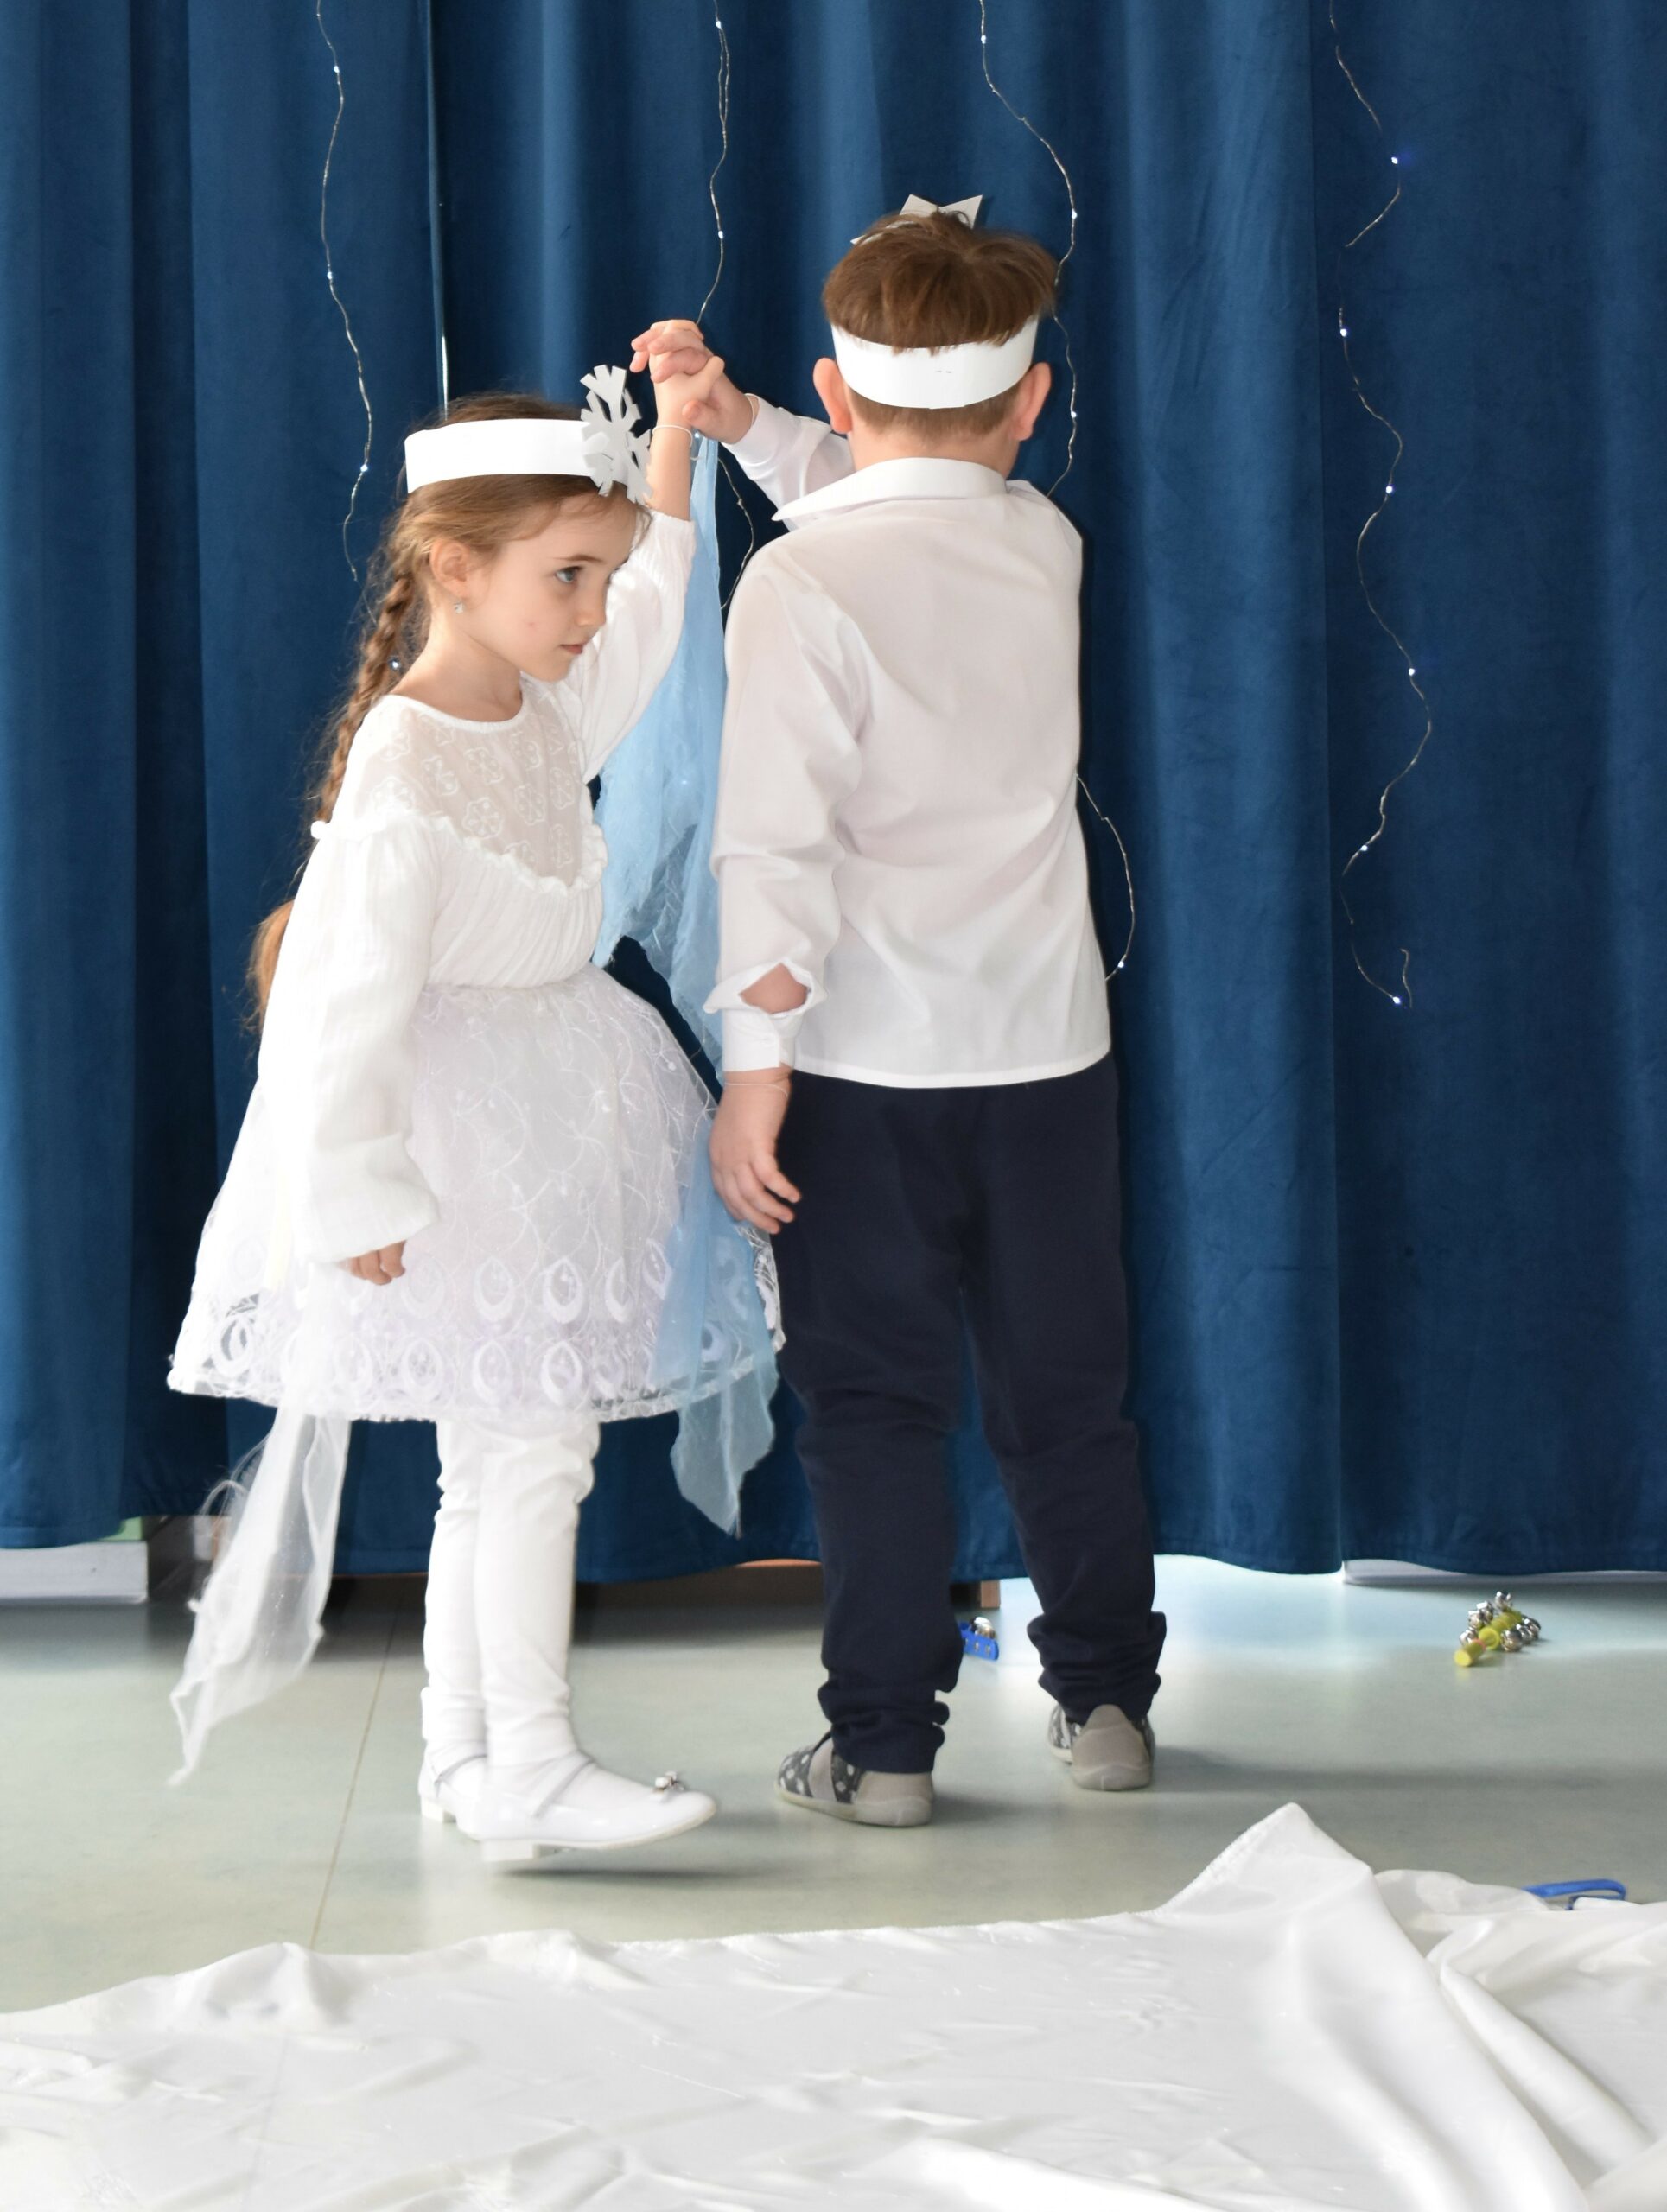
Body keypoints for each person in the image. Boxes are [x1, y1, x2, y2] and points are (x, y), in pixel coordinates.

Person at [168, 353, 781, 1866]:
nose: (592, 610)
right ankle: (533, 1765)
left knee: (500, 1460)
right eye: (564, 577)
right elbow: (342, 1000)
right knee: (530, 1455)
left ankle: (466, 1760)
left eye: (597, 578)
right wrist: (358, 1188)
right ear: (455, 567)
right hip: (462, 1157)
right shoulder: (409, 761)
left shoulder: (543, 707)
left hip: (552, 1120)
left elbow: (652, 611)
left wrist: (671, 454)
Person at [633, 201, 1166, 1830]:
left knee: (870, 1409)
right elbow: (907, 486)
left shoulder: (800, 579)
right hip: (1046, 1053)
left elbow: (770, 850)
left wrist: (752, 1076)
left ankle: (882, 1751)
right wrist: (748, 425)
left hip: (859, 1067)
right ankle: (1106, 1704)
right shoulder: (1043, 540)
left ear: (833, 387)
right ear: (1034, 400)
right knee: (1067, 1396)